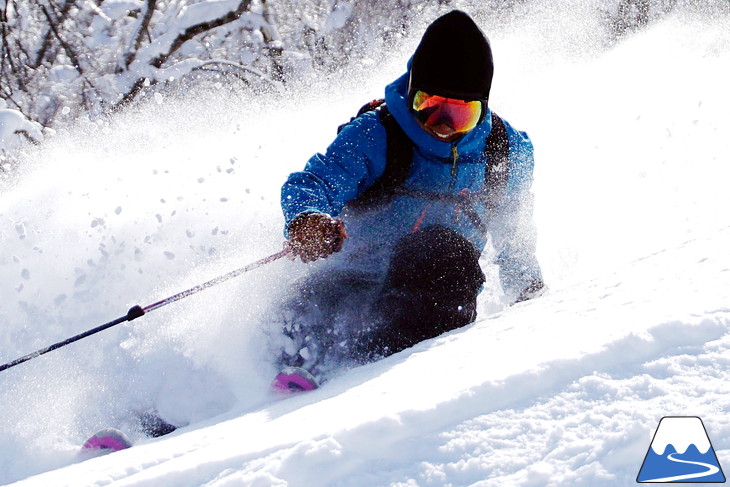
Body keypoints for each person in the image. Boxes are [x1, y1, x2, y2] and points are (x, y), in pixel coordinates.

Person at [274, 10, 544, 387]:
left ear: (482, 109)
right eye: (429, 108)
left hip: (428, 298)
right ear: (412, 91)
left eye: (460, 115)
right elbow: (314, 182)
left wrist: (531, 297)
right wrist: (308, 219)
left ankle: (374, 381)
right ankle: (204, 408)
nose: (443, 128)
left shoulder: (503, 151)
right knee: (282, 328)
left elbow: (516, 234)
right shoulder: (379, 134)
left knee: (442, 251)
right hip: (350, 282)